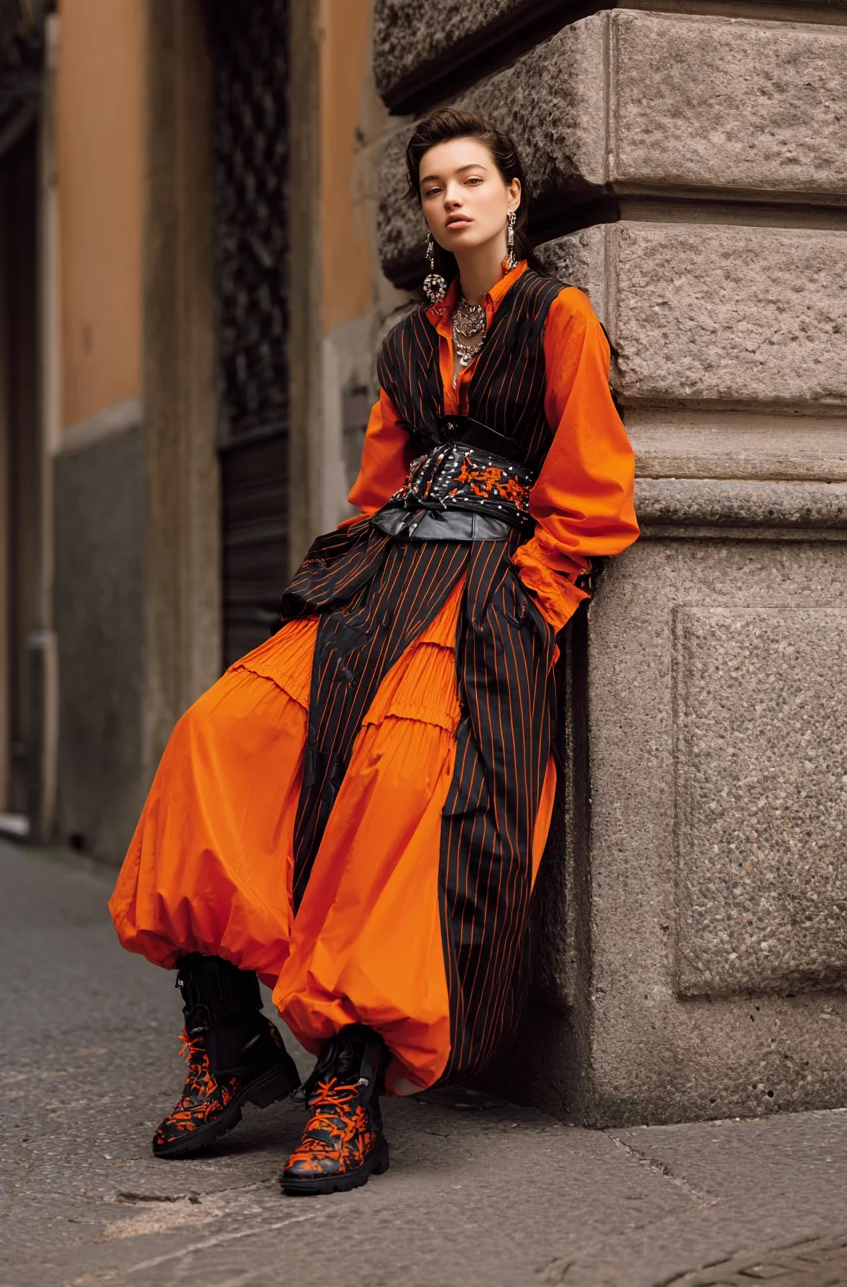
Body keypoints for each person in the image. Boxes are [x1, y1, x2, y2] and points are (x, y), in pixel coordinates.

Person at [109, 107, 639, 1196]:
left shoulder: (558, 317)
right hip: (380, 575)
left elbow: (590, 494)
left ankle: (347, 1078)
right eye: (432, 186)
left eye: (468, 179)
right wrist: (347, 577)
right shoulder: (406, 342)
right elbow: (374, 489)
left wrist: (525, 606)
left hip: (483, 594)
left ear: (510, 196)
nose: (449, 198)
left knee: (398, 784)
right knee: (221, 734)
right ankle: (228, 1042)